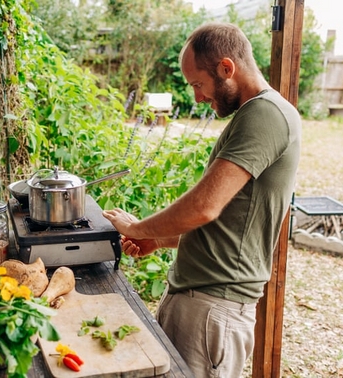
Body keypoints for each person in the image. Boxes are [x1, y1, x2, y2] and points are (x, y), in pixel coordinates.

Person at [102, 22, 301, 378]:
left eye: (198, 84)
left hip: (214, 310)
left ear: (227, 68)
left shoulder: (265, 115)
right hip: (201, 303)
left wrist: (134, 226)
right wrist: (158, 239)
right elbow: (232, 221)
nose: (196, 98)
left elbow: (204, 206)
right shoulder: (252, 115)